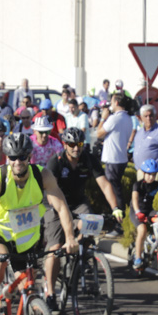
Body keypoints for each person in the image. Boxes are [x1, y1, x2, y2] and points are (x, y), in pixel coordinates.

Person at [0, 133, 78, 315]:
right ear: (7, 158)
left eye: (22, 157)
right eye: (12, 157)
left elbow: (62, 207)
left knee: (28, 292)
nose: (17, 161)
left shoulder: (42, 175)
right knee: (0, 260)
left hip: (27, 238)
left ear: (29, 156)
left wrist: (70, 238)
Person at [41, 127, 122, 306]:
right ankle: (50, 292)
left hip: (78, 203)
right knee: (54, 247)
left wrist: (115, 208)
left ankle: (81, 258)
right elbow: (50, 193)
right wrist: (67, 218)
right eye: (71, 144)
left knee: (90, 227)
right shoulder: (56, 162)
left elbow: (105, 184)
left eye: (79, 144)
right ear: (65, 144)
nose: (76, 148)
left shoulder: (88, 158)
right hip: (55, 204)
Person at [97, 93, 132, 218]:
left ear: (116, 102)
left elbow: (99, 133)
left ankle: (118, 221)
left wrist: (102, 118)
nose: (110, 104)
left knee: (114, 191)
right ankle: (116, 217)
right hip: (120, 158)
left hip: (113, 159)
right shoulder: (128, 118)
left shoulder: (115, 118)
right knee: (116, 190)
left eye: (111, 102)